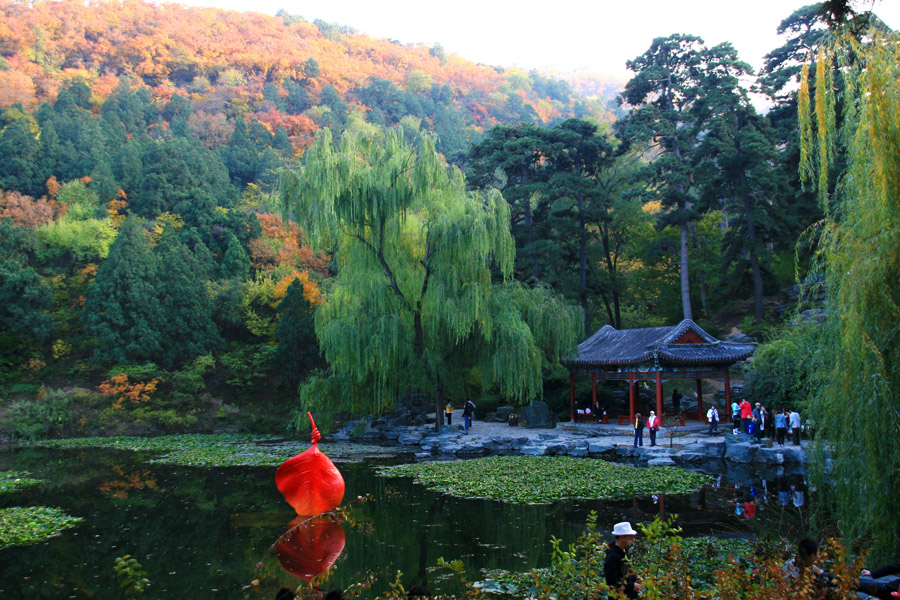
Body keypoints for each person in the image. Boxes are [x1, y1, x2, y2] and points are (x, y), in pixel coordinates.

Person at [604, 521, 643, 599]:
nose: (632, 540)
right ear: (622, 538)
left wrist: (635, 577)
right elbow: (612, 581)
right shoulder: (612, 556)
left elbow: (626, 572)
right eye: (630, 537)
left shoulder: (624, 552)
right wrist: (631, 586)